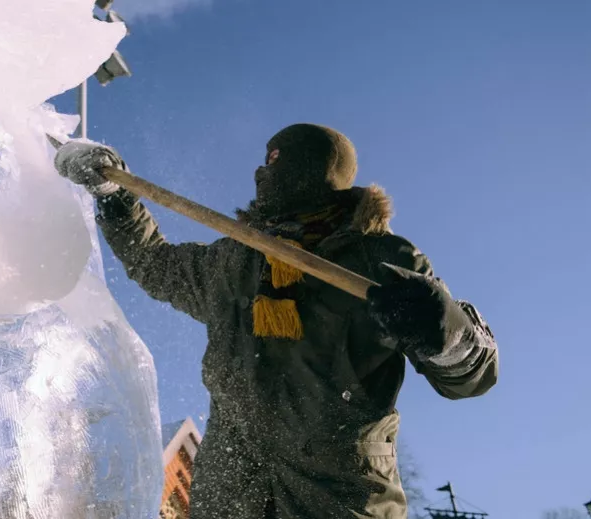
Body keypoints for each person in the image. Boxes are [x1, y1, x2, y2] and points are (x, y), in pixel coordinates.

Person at [54, 123, 498, 519]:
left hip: (337, 501)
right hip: (227, 498)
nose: (261, 175)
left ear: (317, 176)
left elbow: (473, 375)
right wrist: (114, 197)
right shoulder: (237, 262)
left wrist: (444, 331)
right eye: (263, 164)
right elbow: (154, 262)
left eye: (276, 164)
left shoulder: (380, 258)